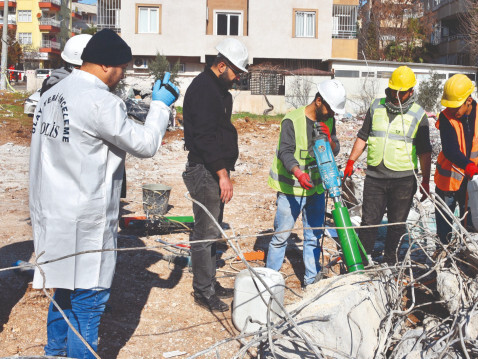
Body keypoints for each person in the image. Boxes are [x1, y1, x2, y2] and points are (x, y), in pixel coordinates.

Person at [29, 29, 179, 358]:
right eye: (122, 68)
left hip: (53, 213)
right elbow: (145, 144)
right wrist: (160, 105)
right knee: (89, 303)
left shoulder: (52, 94)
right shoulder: (100, 101)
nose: (122, 74)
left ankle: (54, 352)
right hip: (86, 219)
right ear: (107, 66)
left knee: (62, 289)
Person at [182, 38, 249, 313]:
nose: (237, 78)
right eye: (236, 72)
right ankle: (202, 291)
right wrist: (222, 174)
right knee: (205, 233)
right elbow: (205, 137)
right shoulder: (203, 90)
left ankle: (209, 282)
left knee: (213, 230)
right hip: (205, 170)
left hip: (215, 170)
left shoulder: (220, 91)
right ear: (221, 65)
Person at [343, 66, 432, 264]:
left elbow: (425, 152)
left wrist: (425, 181)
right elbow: (362, 137)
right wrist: (351, 161)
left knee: (397, 224)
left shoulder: (419, 115)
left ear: (411, 91)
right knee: (369, 222)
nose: (397, 96)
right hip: (375, 177)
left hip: (404, 180)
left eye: (402, 92)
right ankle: (362, 261)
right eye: (394, 91)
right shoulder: (376, 107)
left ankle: (391, 261)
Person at [265, 79, 346, 286]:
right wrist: (299, 173)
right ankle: (270, 282)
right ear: (319, 101)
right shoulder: (291, 120)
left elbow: (334, 150)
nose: (332, 115)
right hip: (291, 189)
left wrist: (330, 142)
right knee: (280, 238)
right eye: (330, 109)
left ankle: (311, 281)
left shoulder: (328, 121)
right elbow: (285, 152)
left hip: (316, 190)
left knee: (313, 236)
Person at [434, 74, 478, 244]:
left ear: (469, 100)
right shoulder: (446, 117)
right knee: (444, 228)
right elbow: (450, 150)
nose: (452, 110)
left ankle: (467, 258)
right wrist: (468, 165)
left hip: (473, 182)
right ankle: (443, 255)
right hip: (447, 182)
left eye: (456, 106)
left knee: (472, 227)